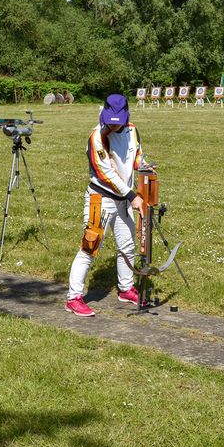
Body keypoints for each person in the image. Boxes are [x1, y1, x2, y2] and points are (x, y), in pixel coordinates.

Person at [65, 93, 147, 317]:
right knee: (89, 248)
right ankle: (73, 298)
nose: (113, 127)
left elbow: (135, 156)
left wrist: (146, 166)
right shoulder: (96, 136)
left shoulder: (133, 130)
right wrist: (132, 196)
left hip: (123, 200)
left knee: (127, 245)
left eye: (117, 123)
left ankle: (126, 288)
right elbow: (105, 173)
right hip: (100, 199)